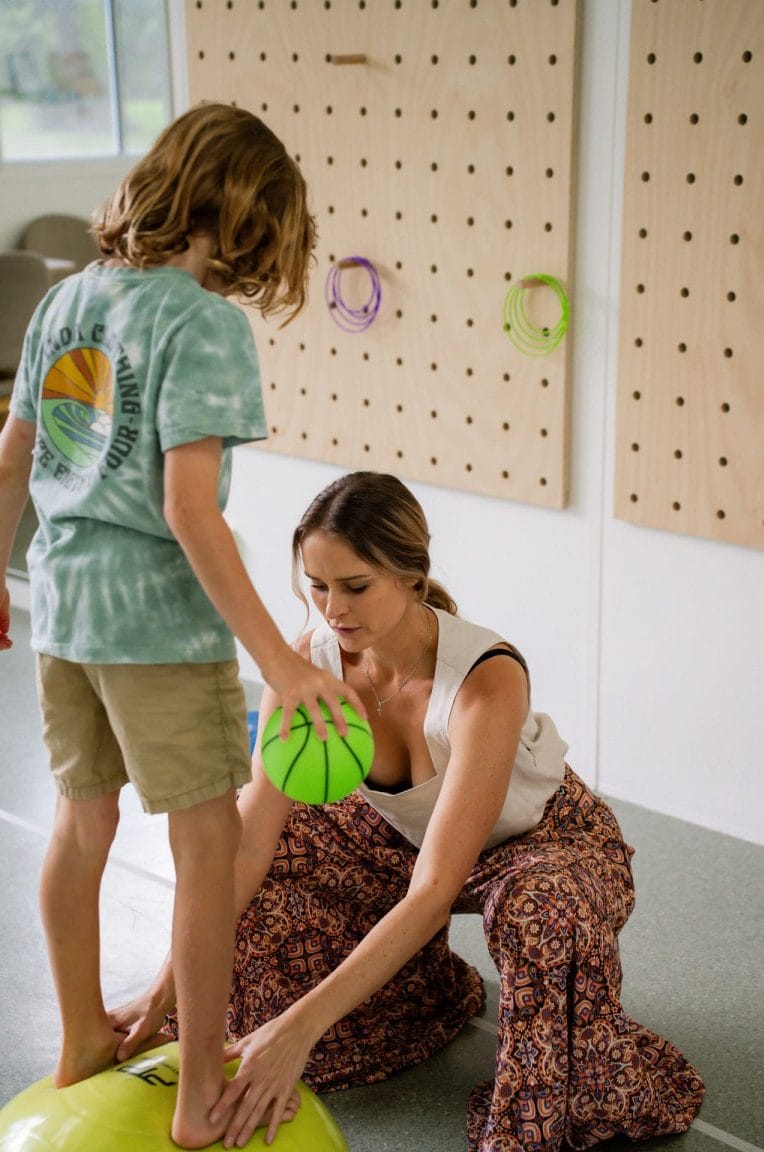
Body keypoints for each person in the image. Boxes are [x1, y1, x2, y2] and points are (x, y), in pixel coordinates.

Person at [110, 471, 705, 1151]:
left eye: (355, 586)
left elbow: (433, 889)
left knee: (541, 913)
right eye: (317, 585)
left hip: (540, 844)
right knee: (265, 842)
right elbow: (245, 847)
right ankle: (424, 1000)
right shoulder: (310, 665)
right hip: (397, 838)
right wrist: (168, 992)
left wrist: (300, 1028)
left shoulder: (487, 676)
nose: (333, 608)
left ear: (413, 578)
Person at [0, 104, 364, 1150]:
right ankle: (200, 1095)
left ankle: (79, 1042)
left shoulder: (67, 296)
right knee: (207, 850)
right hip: (156, 628)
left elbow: (14, 455)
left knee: (81, 826)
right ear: (252, 218)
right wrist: (282, 665)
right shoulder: (201, 324)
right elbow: (188, 509)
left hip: (63, 609)